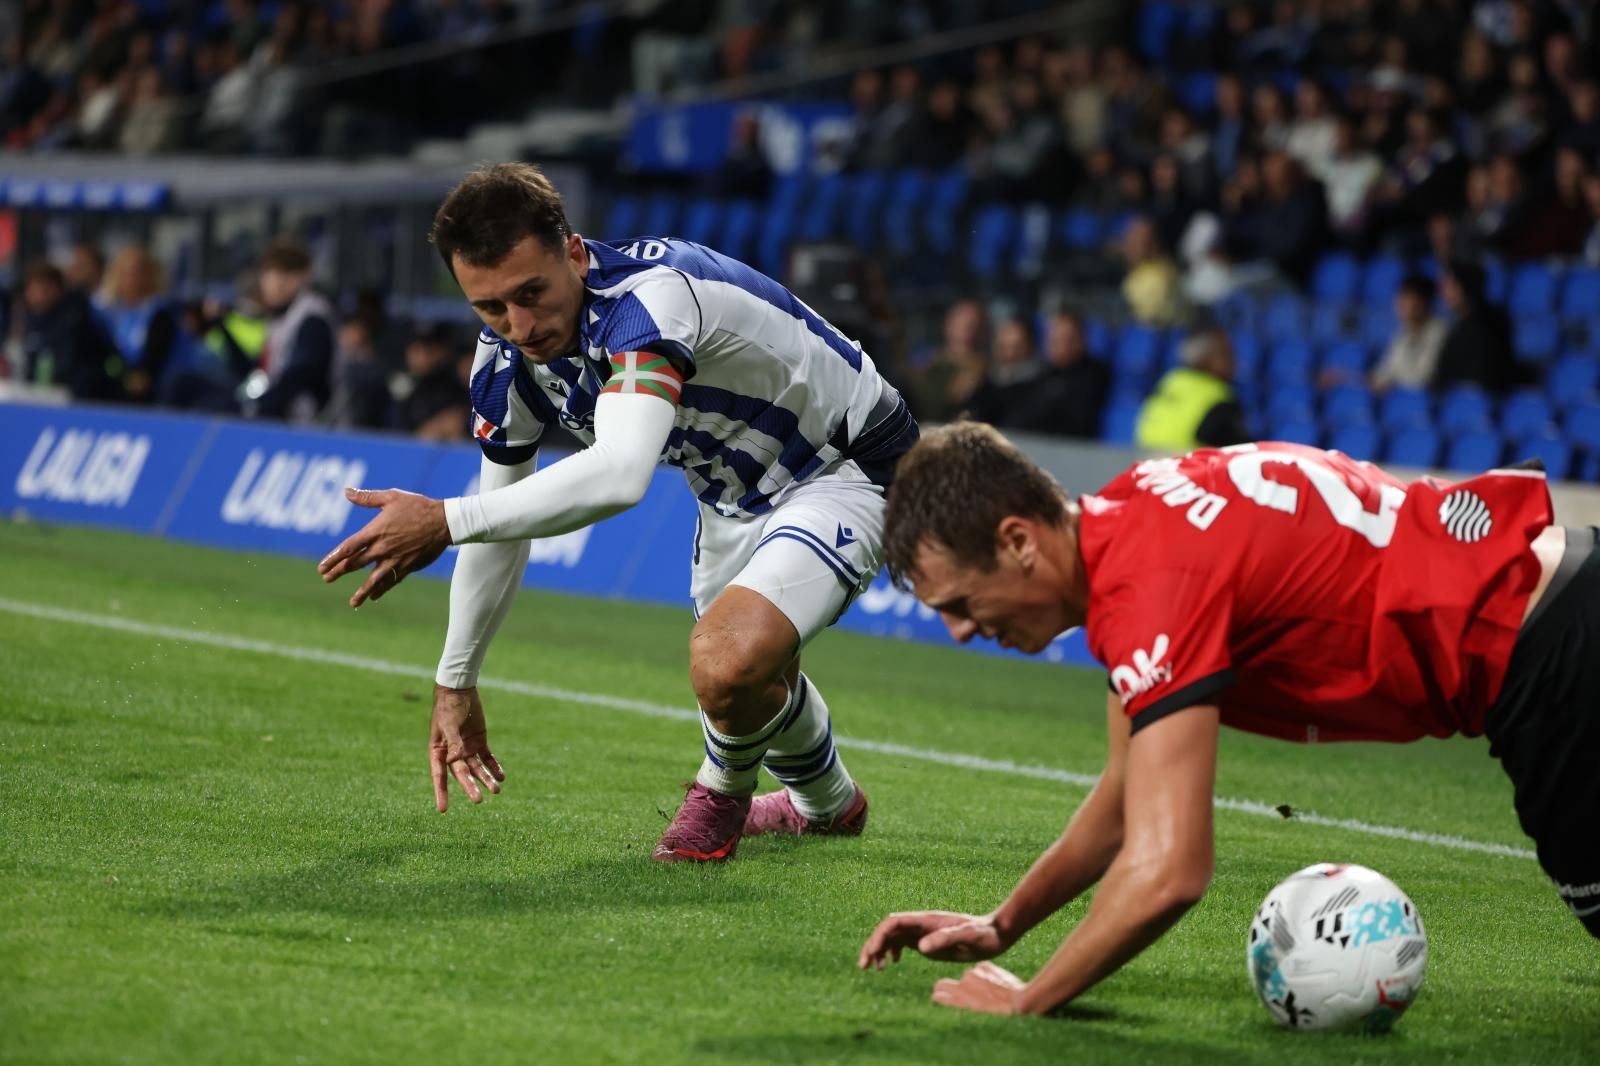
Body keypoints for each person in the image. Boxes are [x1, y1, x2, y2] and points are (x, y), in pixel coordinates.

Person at [858, 423, 1593, 1018]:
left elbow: (1171, 872)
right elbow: (1124, 791)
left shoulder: (1151, 588)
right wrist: (1002, 926)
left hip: (1558, 663)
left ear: (1019, 541)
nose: (958, 630)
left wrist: (1032, 997)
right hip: (1564, 601)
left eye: (959, 603)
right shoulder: (1134, 515)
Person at [315, 162, 919, 862]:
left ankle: (719, 795)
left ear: (573, 253)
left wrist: (444, 521)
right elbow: (500, 519)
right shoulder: (505, 362)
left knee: (727, 663)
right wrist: (456, 681)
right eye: (490, 308)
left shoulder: (648, 303)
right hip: (728, 489)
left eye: (531, 293)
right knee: (745, 682)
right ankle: (829, 806)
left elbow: (620, 473)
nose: (520, 325)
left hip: (846, 463)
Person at [248, 240, 336, 421]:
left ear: (302, 278)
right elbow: (260, 372)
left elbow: (299, 375)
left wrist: (259, 406)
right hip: (276, 408)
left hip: (307, 421)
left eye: (283, 276)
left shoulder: (313, 318)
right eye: (269, 276)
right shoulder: (280, 316)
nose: (274, 285)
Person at [16, 260, 121, 401]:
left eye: (44, 288)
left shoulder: (74, 318)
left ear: (57, 290)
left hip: (82, 396)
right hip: (39, 393)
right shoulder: (29, 318)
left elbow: (68, 364)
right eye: (32, 288)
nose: (38, 294)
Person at [1135, 328, 1249, 451]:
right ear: (1205, 359)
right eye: (1226, 354)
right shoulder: (1218, 397)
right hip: (1188, 466)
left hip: (1148, 461)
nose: (1234, 361)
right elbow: (1240, 451)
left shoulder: (1171, 380)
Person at [1433, 260, 1519, 395]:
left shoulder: (1488, 325)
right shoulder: (1457, 326)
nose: (1444, 293)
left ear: (1465, 286)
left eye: (1449, 285)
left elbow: (1487, 376)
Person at [1371, 275, 1447, 391]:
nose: (1400, 303)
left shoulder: (1440, 333)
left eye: (1407, 298)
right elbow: (1385, 371)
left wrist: (1391, 384)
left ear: (1425, 302)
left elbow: (1423, 378)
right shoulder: (1402, 333)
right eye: (1400, 297)